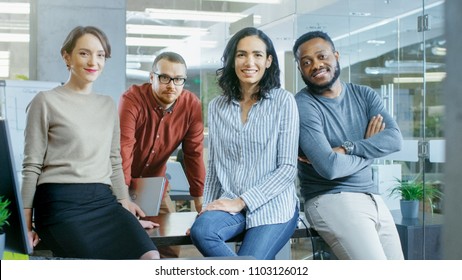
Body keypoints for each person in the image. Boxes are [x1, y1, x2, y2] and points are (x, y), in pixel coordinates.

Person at [20, 26, 159, 260]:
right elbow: (31, 166)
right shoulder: (45, 102)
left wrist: (126, 213)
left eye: (101, 55)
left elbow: (114, 161)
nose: (93, 61)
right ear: (67, 56)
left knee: (150, 259)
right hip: (61, 205)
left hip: (104, 201)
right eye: (84, 53)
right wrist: (25, 226)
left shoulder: (107, 104)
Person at [189, 27, 300, 260]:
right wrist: (207, 208)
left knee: (252, 263)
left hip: (274, 204)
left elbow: (288, 169)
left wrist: (242, 202)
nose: (249, 62)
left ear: (269, 61)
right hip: (230, 201)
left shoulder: (284, 101)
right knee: (202, 231)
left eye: (258, 55)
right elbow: (215, 166)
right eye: (241, 54)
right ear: (232, 60)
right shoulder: (217, 106)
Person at [293, 30, 404, 260]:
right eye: (307, 62)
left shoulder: (364, 95)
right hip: (331, 198)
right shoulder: (303, 105)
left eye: (322, 56)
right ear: (300, 69)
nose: (316, 65)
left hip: (373, 197)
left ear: (336, 55)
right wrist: (371, 147)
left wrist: (347, 148)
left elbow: (394, 139)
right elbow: (330, 167)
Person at [119, 51, 205, 257]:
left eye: (178, 79)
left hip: (154, 184)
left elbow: (194, 153)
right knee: (124, 239)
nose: (171, 85)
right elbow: (124, 147)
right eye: (164, 77)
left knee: (168, 244)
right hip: (118, 181)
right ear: (151, 78)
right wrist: (122, 196)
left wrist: (200, 201)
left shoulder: (191, 105)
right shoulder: (132, 99)